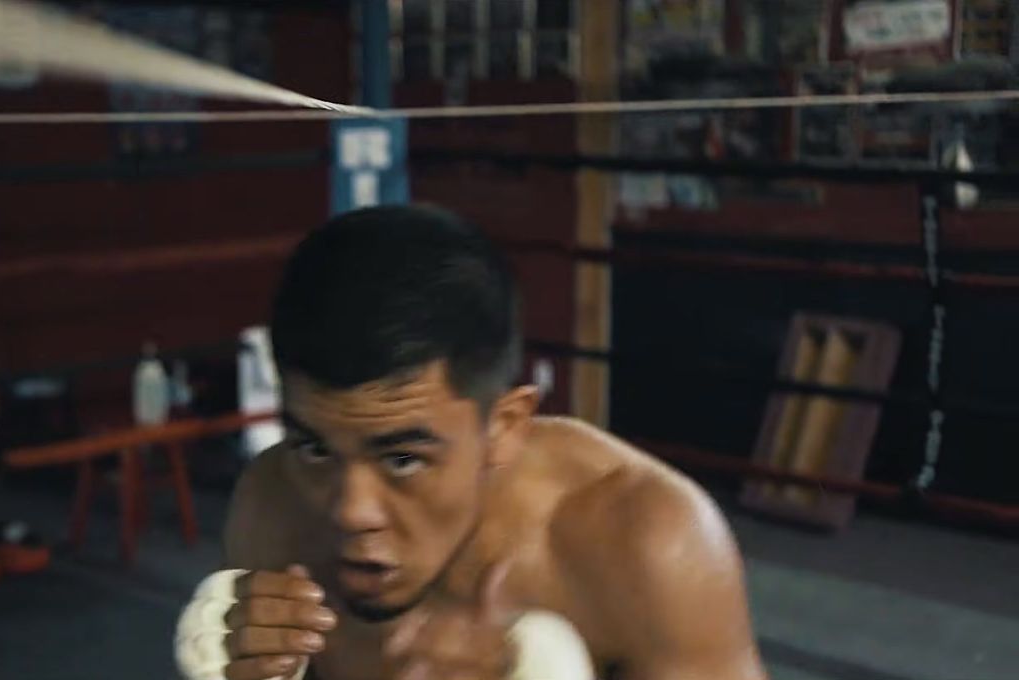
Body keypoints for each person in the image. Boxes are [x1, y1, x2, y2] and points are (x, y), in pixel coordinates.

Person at [175, 205, 766, 680]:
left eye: (403, 458)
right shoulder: (272, 507)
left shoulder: (646, 543)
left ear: (504, 427)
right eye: (315, 449)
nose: (351, 511)